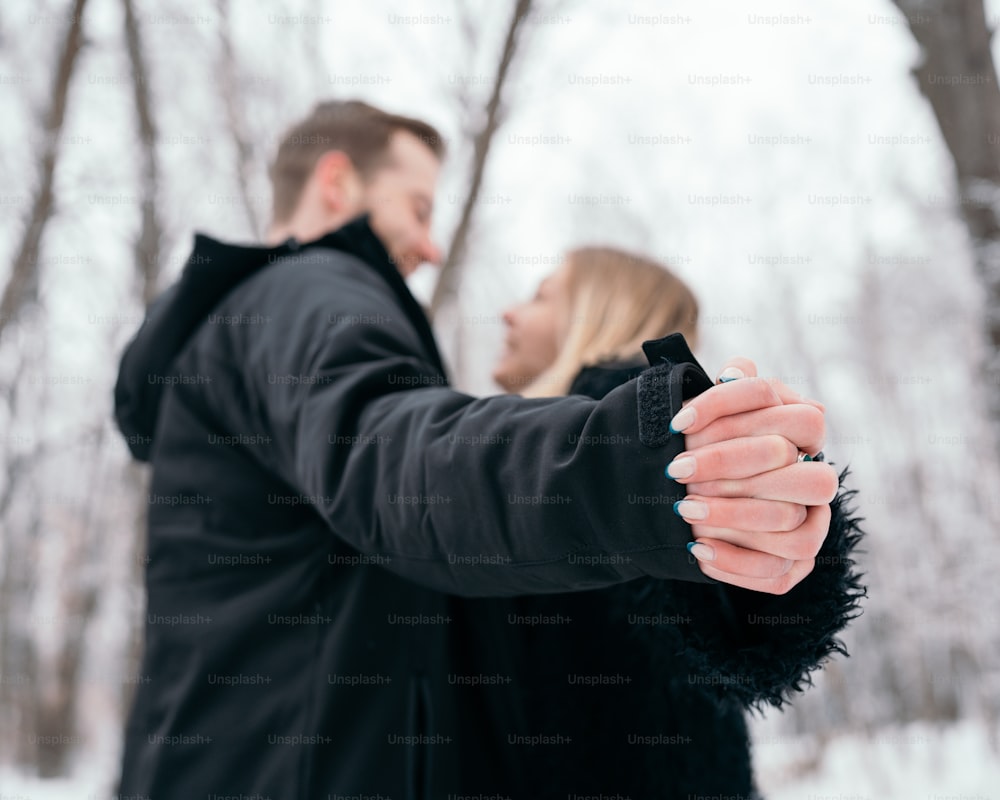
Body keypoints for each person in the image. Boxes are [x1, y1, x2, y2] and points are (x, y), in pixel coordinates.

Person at [113, 99, 844, 798]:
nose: (431, 246)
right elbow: (398, 457)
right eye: (420, 208)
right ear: (336, 183)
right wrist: (640, 466)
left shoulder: (256, 324)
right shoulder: (313, 291)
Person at [494, 248, 864, 797]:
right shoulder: (544, 450)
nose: (508, 314)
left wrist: (776, 508)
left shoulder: (637, 439)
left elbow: (747, 626)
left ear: (602, 312)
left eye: (542, 295)